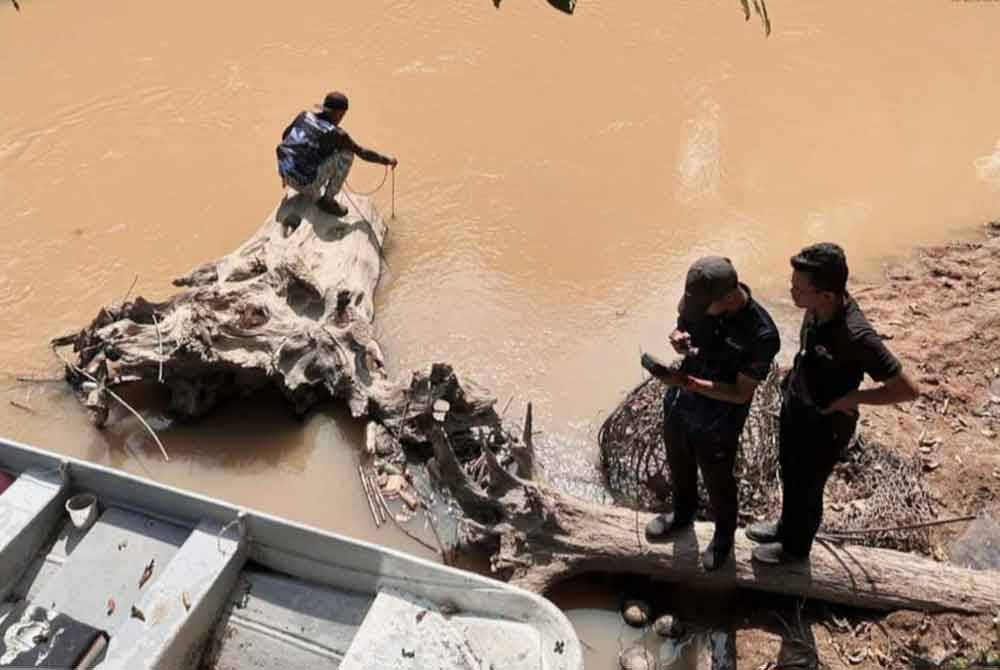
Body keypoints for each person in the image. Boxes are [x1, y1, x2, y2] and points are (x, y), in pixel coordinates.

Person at [748, 243, 919, 564]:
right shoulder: (815, 310)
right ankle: (785, 528)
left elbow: (907, 389)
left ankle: (795, 551)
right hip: (798, 406)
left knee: (808, 487)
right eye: (792, 284)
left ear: (826, 295)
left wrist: (853, 397)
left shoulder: (857, 336)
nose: (791, 291)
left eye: (799, 288)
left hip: (826, 425)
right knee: (790, 474)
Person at [644, 256, 780, 571]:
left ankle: (723, 539)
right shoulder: (701, 302)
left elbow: (740, 392)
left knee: (718, 481)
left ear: (729, 297)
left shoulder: (761, 334)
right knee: (679, 462)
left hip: (719, 418)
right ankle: (682, 514)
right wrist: (679, 337)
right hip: (681, 403)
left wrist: (688, 381)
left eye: (700, 309)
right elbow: (684, 323)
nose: (693, 314)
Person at [276, 91, 397, 217]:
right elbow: (362, 153)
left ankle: (297, 178)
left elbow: (285, 136)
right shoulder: (337, 134)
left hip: (286, 175)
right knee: (348, 154)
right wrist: (387, 161)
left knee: (322, 151)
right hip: (306, 186)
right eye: (343, 115)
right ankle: (327, 201)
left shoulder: (304, 116)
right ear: (339, 113)